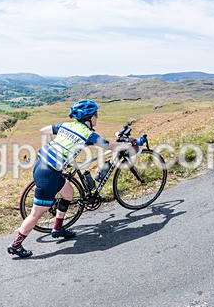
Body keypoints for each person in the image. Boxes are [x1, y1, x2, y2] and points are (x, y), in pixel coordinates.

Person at [8, 100, 135, 258]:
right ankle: (16, 245)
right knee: (36, 214)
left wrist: (54, 150)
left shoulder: (66, 125)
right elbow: (109, 146)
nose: (97, 117)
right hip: (49, 173)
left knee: (68, 193)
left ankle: (58, 228)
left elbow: (44, 130)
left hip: (42, 165)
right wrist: (129, 146)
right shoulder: (88, 134)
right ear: (88, 118)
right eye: (96, 115)